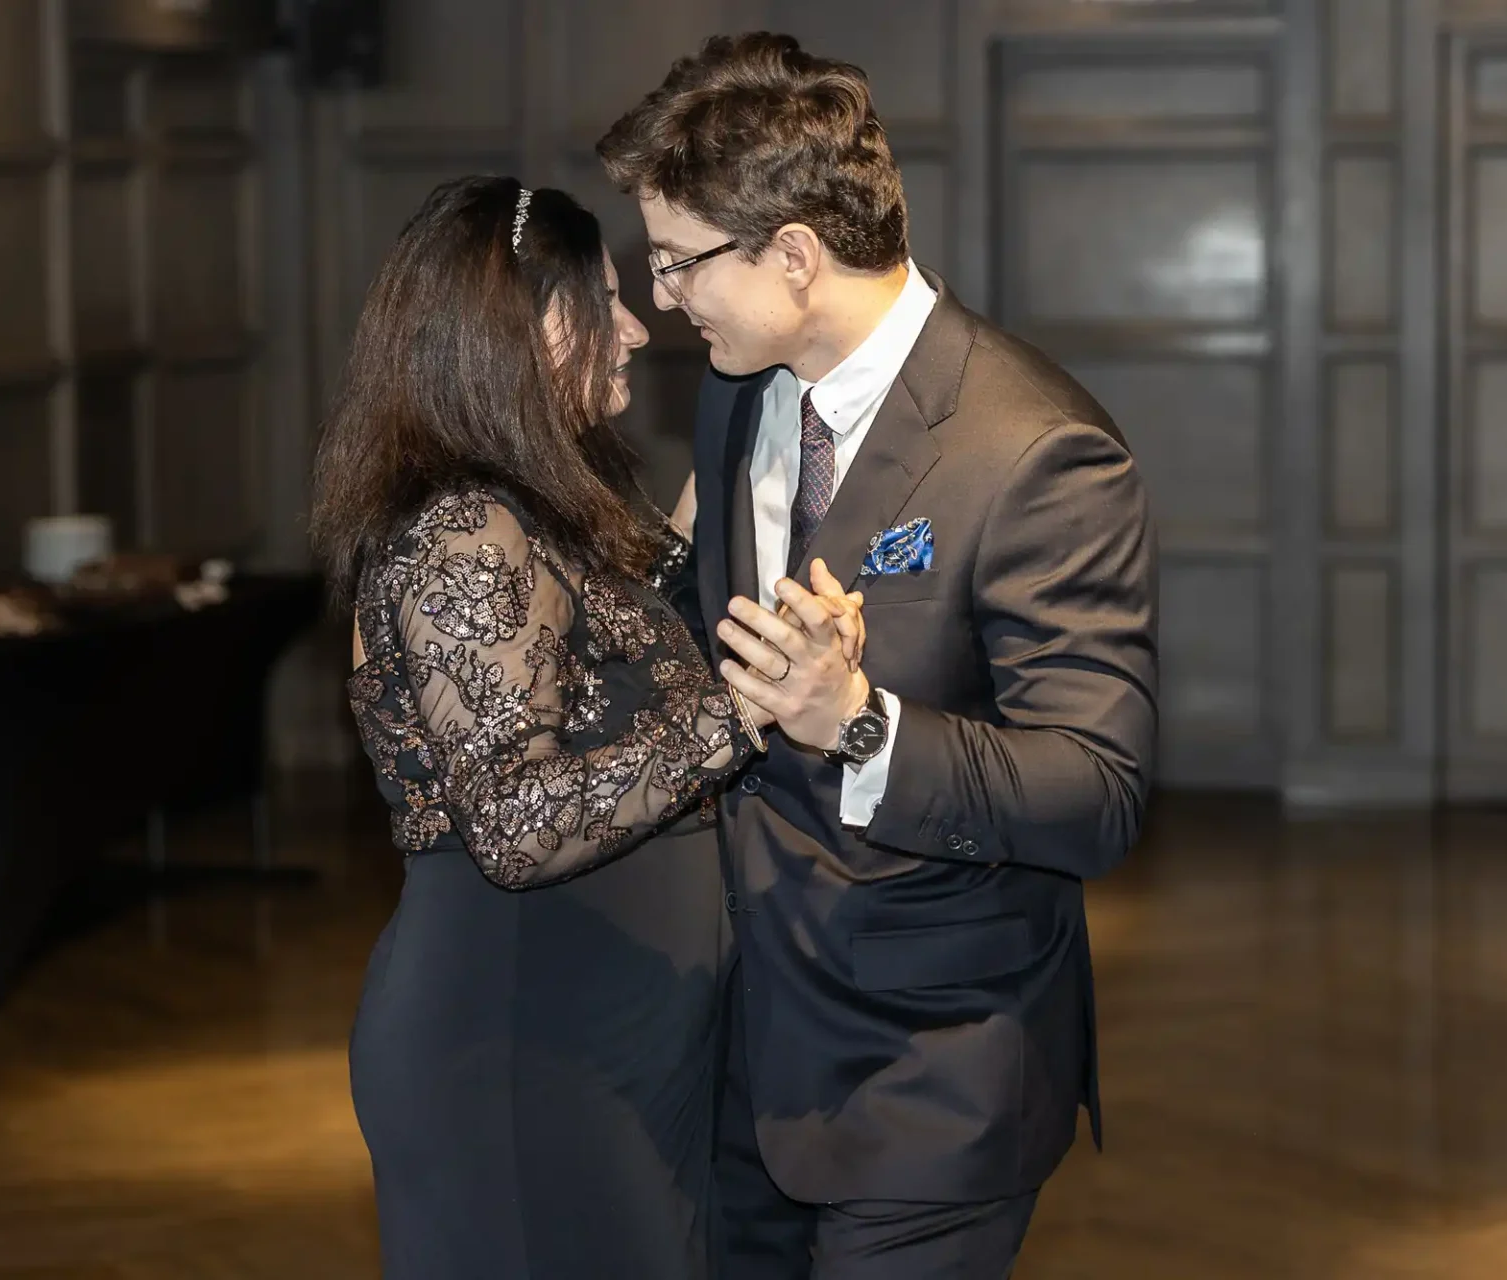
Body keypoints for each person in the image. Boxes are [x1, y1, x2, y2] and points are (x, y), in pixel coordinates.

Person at [598, 33, 1161, 1279]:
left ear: (795, 255)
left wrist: (857, 718)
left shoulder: (1038, 453)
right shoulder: (744, 385)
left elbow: (1097, 793)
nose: (661, 295)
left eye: (682, 261)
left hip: (929, 1077)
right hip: (736, 1050)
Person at [308, 175, 863, 1280]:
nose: (633, 324)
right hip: (520, 1043)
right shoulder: (463, 529)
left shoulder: (536, 508)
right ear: (521, 330)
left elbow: (633, 611)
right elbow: (518, 821)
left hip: (607, 1038)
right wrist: (752, 703)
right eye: (600, 301)